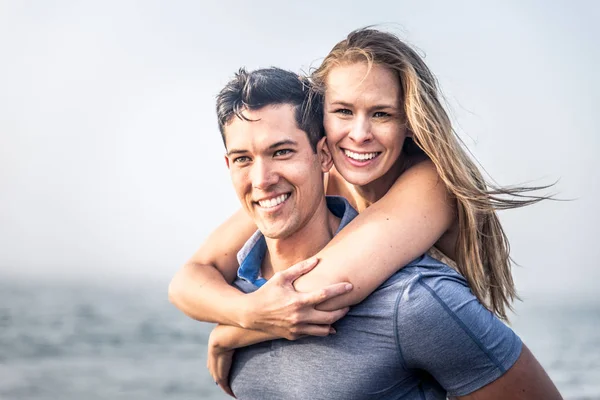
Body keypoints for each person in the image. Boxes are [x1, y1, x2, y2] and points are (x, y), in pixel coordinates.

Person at [205, 66, 561, 399]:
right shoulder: (242, 290)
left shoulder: (414, 301)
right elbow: (189, 279)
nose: (262, 180)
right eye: (242, 159)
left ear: (323, 154)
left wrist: (230, 333)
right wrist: (242, 319)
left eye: (282, 152)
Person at [169, 28, 550, 337]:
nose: (360, 133)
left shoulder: (432, 184)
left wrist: (229, 335)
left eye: (381, 114)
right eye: (343, 111)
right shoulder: (321, 178)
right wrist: (244, 312)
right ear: (320, 120)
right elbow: (189, 278)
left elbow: (322, 293)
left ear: (409, 123)